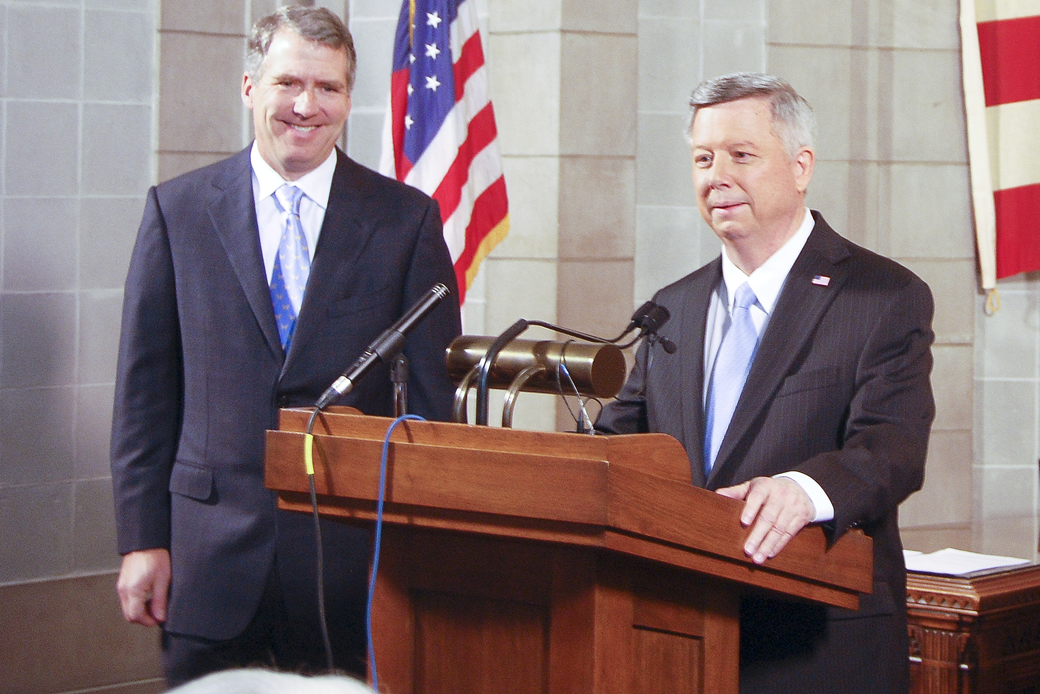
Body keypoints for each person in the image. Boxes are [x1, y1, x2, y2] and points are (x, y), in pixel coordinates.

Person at [110, 6, 461, 687]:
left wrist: (420, 557)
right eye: (288, 83)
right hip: (206, 562)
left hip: (350, 572)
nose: (306, 106)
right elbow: (144, 399)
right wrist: (141, 540)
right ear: (250, 87)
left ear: (349, 98)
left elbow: (431, 404)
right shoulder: (178, 212)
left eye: (328, 87)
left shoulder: (407, 221)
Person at [595, 72, 934, 693]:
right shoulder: (672, 308)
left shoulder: (882, 295)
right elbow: (623, 447)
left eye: (741, 155)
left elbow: (893, 448)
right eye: (703, 159)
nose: (716, 176)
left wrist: (804, 490)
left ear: (801, 167)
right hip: (675, 638)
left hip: (816, 640)